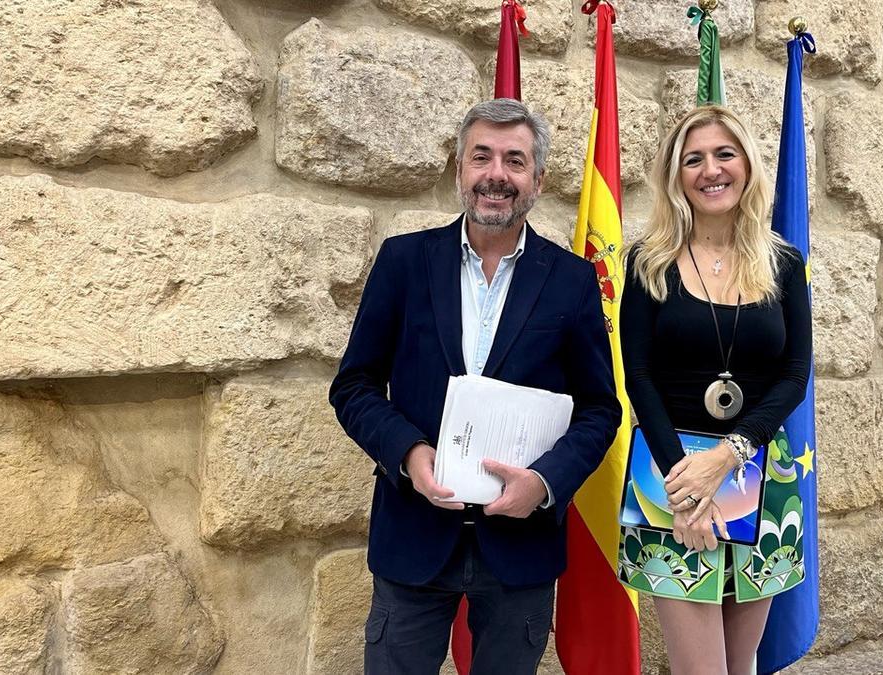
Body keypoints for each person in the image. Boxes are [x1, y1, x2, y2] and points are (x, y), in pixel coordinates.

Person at [329, 98, 621, 675]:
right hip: (414, 536)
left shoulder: (572, 281)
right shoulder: (403, 262)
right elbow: (355, 385)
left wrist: (544, 483)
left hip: (521, 548)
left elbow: (599, 410)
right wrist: (411, 455)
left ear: (537, 179)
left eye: (515, 161)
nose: (496, 174)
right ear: (459, 169)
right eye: (481, 156)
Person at [619, 105, 812, 674]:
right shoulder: (646, 264)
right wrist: (688, 487)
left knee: (741, 664)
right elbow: (641, 378)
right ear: (676, 176)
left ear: (747, 165)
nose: (711, 170)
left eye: (724, 154)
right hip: (667, 479)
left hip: (761, 477)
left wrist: (729, 455)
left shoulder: (783, 264)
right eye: (693, 158)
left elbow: (794, 374)